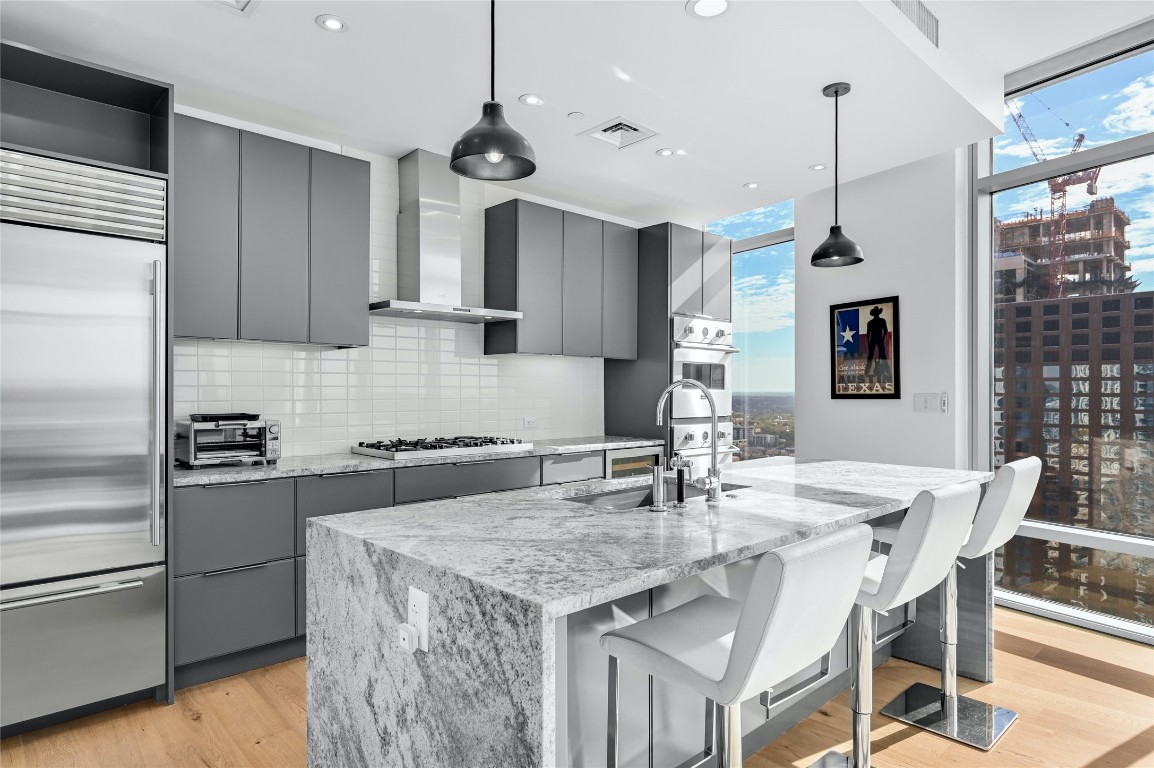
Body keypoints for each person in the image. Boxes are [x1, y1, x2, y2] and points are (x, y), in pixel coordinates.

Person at [865, 306, 889, 381]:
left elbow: (868, 334)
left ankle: (867, 371)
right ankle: (887, 371)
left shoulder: (870, 322)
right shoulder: (882, 321)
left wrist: (869, 342)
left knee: (873, 355)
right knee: (882, 355)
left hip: (874, 339)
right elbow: (885, 330)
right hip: (878, 339)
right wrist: (883, 337)